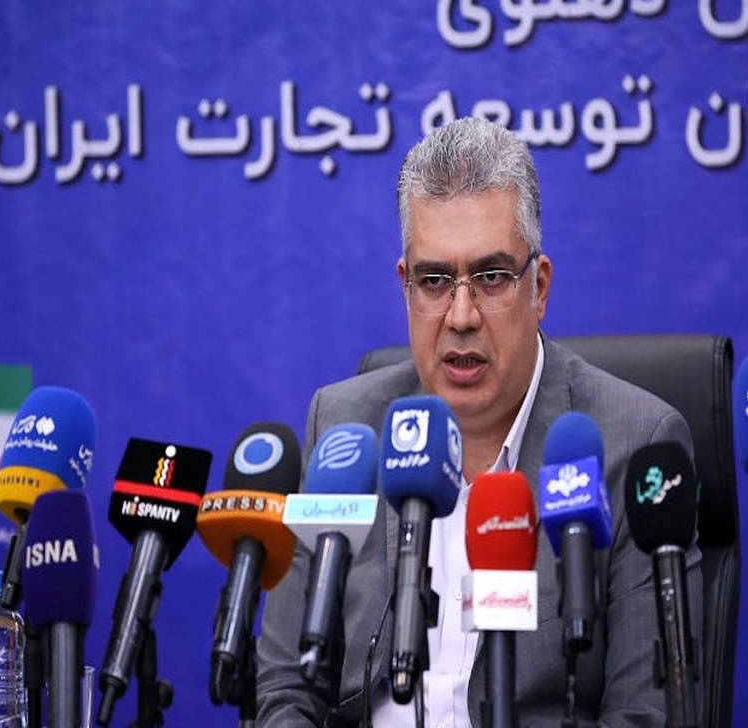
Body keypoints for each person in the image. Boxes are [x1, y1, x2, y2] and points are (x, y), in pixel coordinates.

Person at [257, 117, 702, 727]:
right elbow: (286, 688)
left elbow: (645, 715)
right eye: (434, 281)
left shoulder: (631, 446)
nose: (461, 315)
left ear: (538, 287)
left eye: (491, 278)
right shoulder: (343, 432)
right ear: (405, 287)